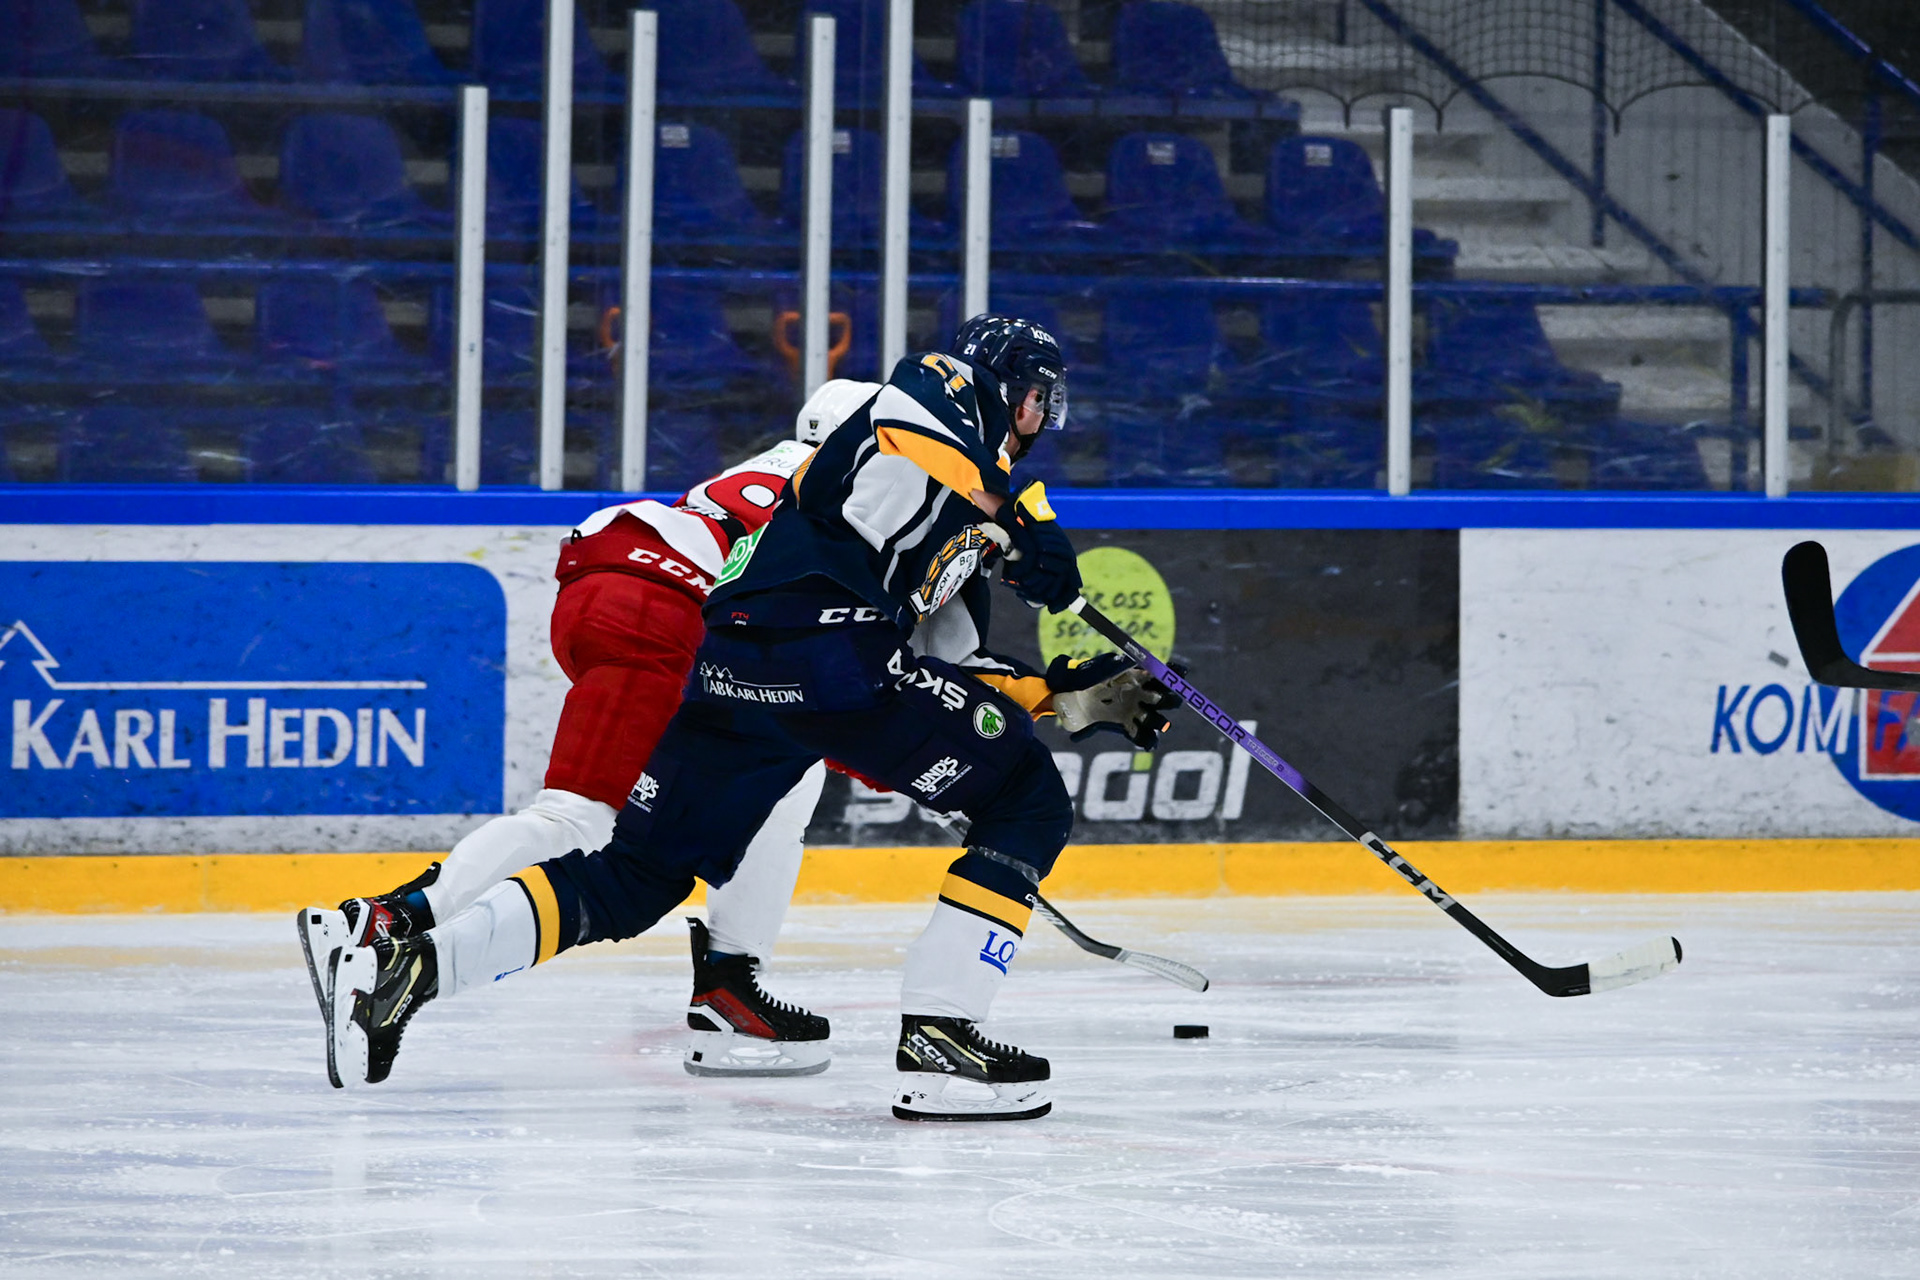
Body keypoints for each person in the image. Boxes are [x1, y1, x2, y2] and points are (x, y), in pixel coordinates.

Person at [322, 318, 1177, 1120]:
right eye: (1038, 398)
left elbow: (944, 672)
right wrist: (1017, 517)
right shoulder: (937, 391)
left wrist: (1061, 694)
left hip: (736, 664)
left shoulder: (961, 529)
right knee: (1027, 799)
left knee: (639, 874)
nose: (1042, 419)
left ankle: (411, 968)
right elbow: (920, 426)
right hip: (825, 652)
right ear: (1013, 389)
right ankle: (941, 1037)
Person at [298, 390, 873, 1087]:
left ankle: (730, 983)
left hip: (609, 590)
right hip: (665, 614)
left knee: (784, 777)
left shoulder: (773, 468)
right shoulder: (851, 495)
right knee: (581, 819)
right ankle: (390, 922)